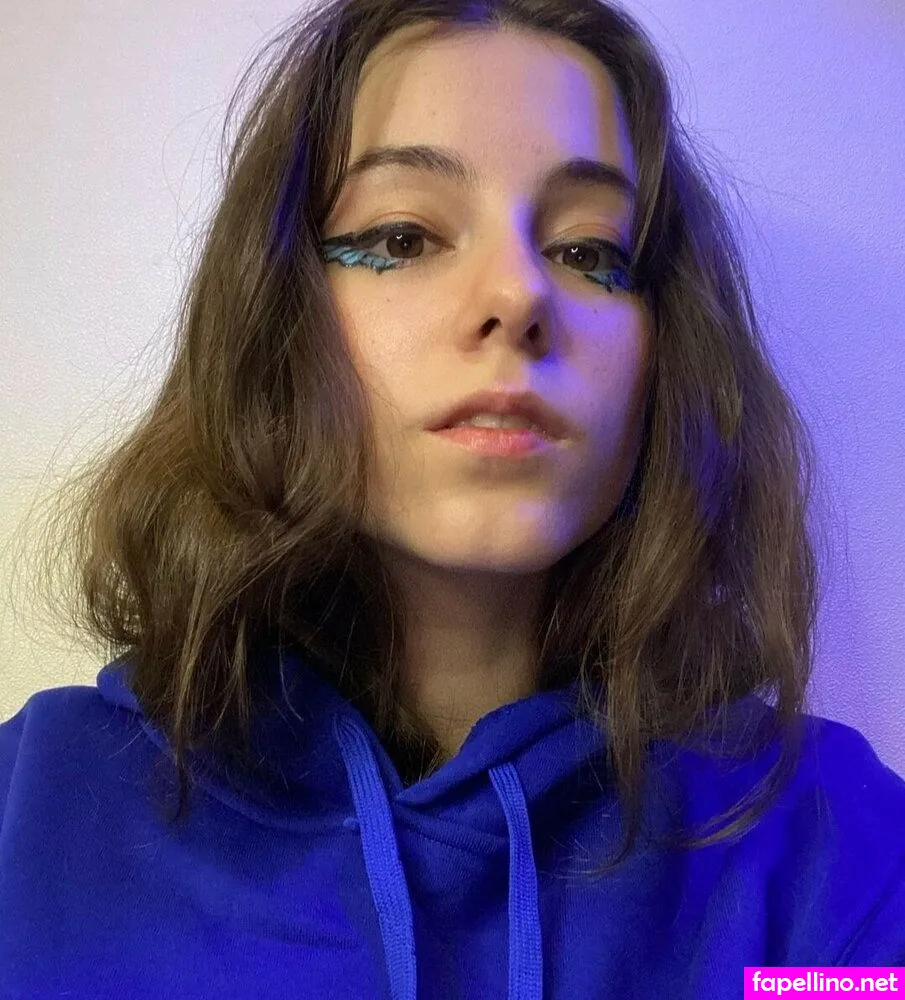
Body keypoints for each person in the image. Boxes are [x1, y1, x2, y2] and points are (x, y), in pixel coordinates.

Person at [1, 0, 903, 996]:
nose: (518, 295)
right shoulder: (29, 815)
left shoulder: (834, 852)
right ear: (272, 320)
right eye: (401, 237)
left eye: (589, 251)